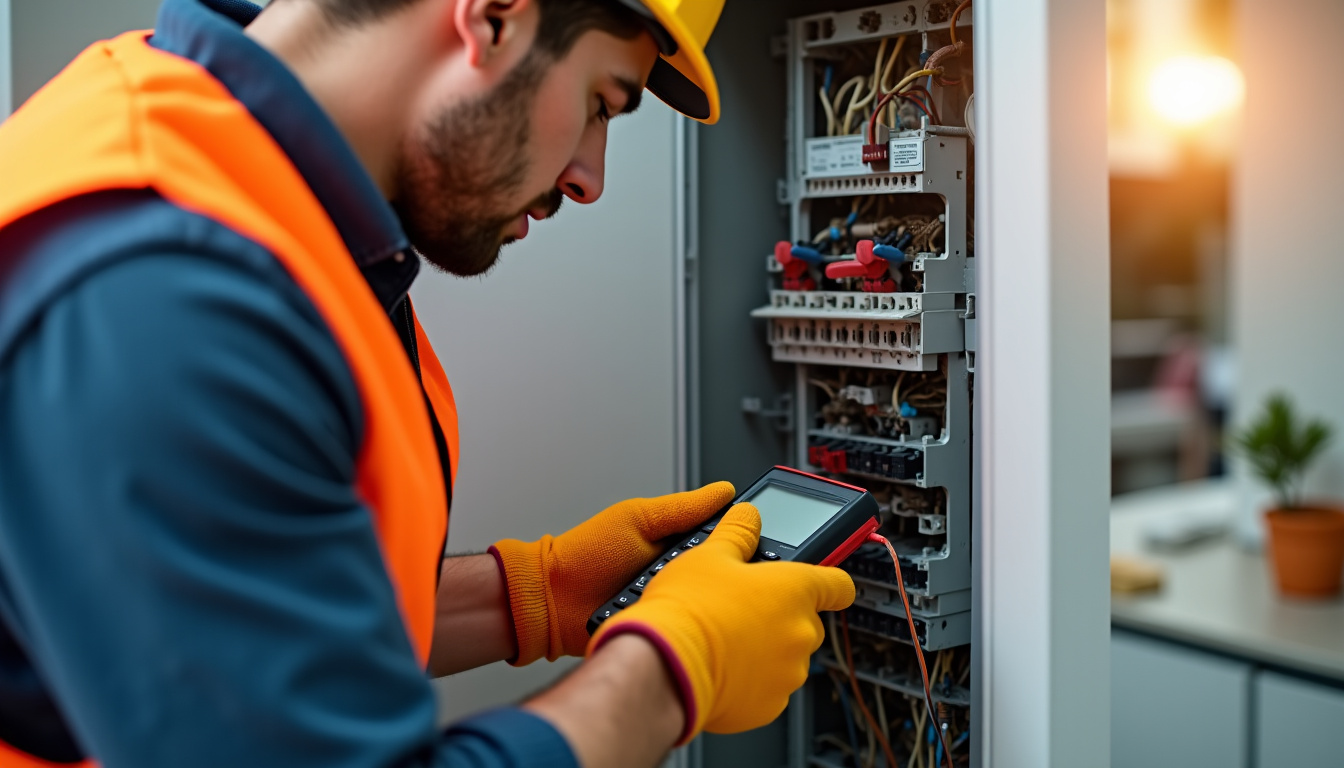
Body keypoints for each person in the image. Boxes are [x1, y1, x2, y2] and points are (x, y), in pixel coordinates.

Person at [0, 0, 856, 766]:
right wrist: (674, 669)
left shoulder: (235, 176)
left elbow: (257, 620)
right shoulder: (163, 293)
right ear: (491, 17)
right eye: (602, 100)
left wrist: (542, 593)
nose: (589, 178)